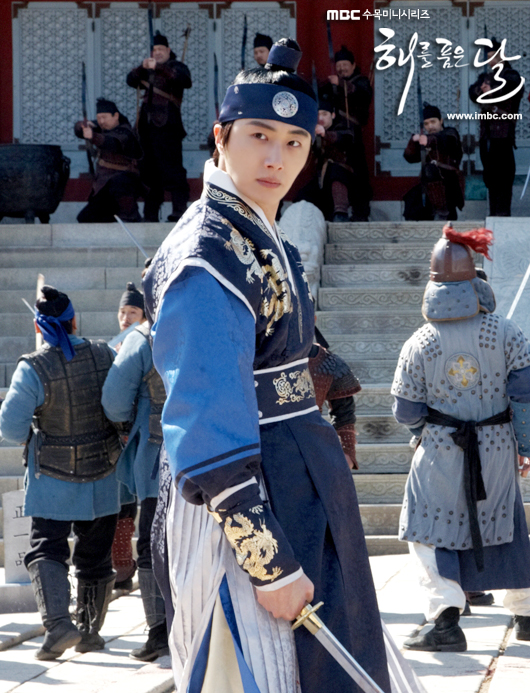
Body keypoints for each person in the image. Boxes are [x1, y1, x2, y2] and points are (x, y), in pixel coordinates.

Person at [142, 38, 391, 693]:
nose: (276, 157)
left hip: (299, 481)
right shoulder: (207, 256)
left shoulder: (256, 229)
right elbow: (203, 414)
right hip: (247, 500)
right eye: (259, 136)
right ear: (221, 137)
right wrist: (268, 560)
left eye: (294, 141)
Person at [391, 224, 530, 652]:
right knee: (505, 521)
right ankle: (526, 614)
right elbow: (525, 396)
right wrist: (526, 447)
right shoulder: (506, 331)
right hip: (498, 446)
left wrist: (424, 432)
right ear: (473, 280)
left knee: (427, 528)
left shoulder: (418, 342)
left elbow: (405, 411)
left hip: (439, 449)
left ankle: (446, 622)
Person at [0, 286, 121, 660]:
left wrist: (33, 435)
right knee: (95, 555)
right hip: (103, 471)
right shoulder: (105, 353)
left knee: (47, 549)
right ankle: (88, 632)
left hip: (52, 475)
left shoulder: (33, 367)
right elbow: (120, 404)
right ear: (74, 321)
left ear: (40, 328)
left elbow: (10, 426)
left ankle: (58, 627)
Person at [102, 272, 168, 662]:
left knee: (152, 545)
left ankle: (160, 631)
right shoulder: (203, 326)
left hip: (157, 461)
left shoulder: (141, 339)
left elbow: (113, 401)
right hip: (208, 457)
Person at [127, 31, 192, 222]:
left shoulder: (177, 66)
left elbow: (184, 81)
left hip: (168, 127)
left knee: (172, 169)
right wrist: (143, 67)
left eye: (161, 49)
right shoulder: (147, 69)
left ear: (168, 50)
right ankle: (151, 213)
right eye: (154, 50)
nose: (157, 52)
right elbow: (130, 80)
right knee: (149, 172)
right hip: (147, 127)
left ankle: (179, 210)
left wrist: (159, 68)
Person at [111, 282, 147, 591]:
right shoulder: (111, 347)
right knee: (119, 503)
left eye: (132, 311)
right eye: (122, 312)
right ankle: (120, 569)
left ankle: (126, 568)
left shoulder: (144, 343)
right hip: (116, 438)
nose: (125, 318)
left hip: (142, 433)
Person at [469, 37, 523, 217]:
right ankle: (493, 215)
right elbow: (473, 93)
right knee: (491, 178)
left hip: (504, 135)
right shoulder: (485, 77)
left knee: (504, 178)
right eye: (489, 57)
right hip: (487, 136)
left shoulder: (512, 75)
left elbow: (511, 87)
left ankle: (503, 216)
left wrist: (490, 89)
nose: (492, 60)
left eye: (495, 56)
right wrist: (484, 88)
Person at [74, 98, 143, 223]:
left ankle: (131, 217)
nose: (101, 121)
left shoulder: (125, 132)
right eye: (99, 118)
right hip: (105, 186)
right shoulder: (103, 127)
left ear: (115, 116)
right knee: (85, 218)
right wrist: (82, 126)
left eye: (104, 117)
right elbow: (79, 131)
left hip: (126, 183)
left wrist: (93, 136)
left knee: (120, 183)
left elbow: (111, 143)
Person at [325, 45, 372, 221]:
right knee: (335, 169)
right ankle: (337, 210)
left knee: (358, 172)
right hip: (336, 133)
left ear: (353, 65)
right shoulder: (333, 83)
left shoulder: (362, 82)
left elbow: (363, 94)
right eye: (339, 65)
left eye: (345, 65)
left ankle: (361, 212)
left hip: (353, 134)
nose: (342, 68)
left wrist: (342, 84)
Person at [295, 93, 358, 222]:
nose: (320, 118)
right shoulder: (313, 132)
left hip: (346, 182)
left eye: (324, 114)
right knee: (302, 196)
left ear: (333, 115)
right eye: (318, 114)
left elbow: (345, 139)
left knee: (336, 171)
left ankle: (341, 214)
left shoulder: (343, 128)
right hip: (322, 181)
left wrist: (325, 134)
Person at [309, 326, 360, 469]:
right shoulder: (259, 358)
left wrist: (347, 450)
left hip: (312, 445)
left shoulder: (327, 361)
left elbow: (344, 412)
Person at [403, 103, 464, 222]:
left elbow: (445, 140)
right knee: (412, 199)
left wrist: (427, 140)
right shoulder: (425, 139)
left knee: (431, 170)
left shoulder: (450, 133)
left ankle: (442, 212)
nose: (430, 126)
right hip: (429, 183)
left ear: (441, 121)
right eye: (426, 124)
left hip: (449, 183)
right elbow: (410, 158)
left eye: (433, 122)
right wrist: (413, 142)